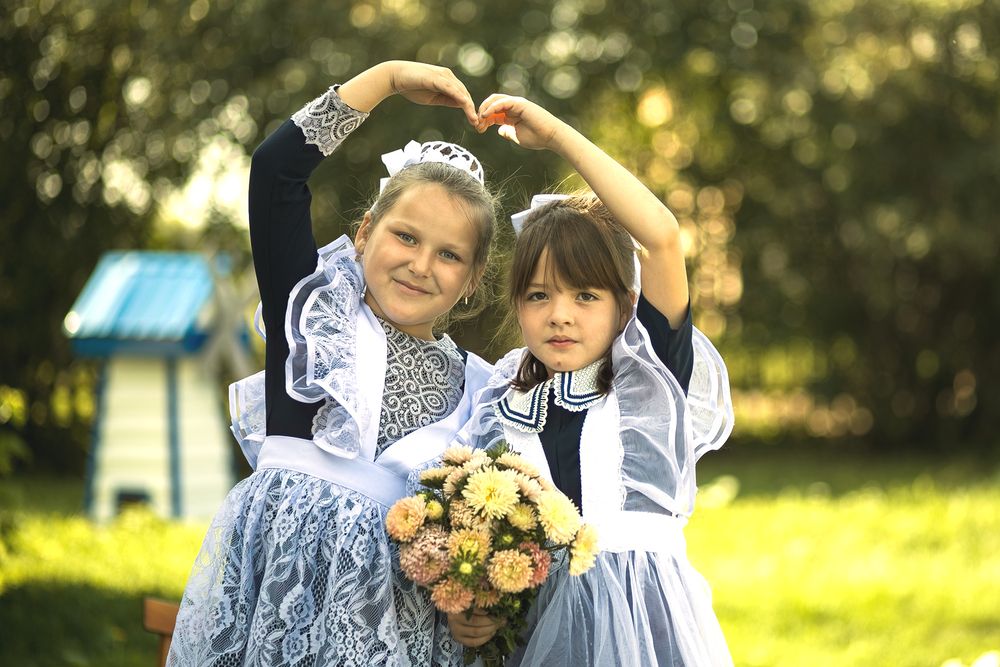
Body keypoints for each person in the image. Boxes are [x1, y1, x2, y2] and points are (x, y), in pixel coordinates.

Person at [167, 61, 500, 666]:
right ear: (365, 232)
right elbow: (275, 170)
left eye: (449, 255)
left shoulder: (481, 391)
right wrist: (389, 79)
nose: (420, 265)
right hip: (274, 602)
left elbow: (472, 537)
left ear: (472, 280)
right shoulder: (312, 310)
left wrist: (476, 606)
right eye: (406, 236)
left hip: (392, 633)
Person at [445, 94, 736, 665]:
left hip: (644, 631)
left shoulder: (648, 378)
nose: (560, 315)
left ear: (625, 304)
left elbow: (661, 237)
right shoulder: (497, 406)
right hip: (536, 638)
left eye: (585, 295)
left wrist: (556, 136)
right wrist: (473, 609)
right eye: (538, 295)